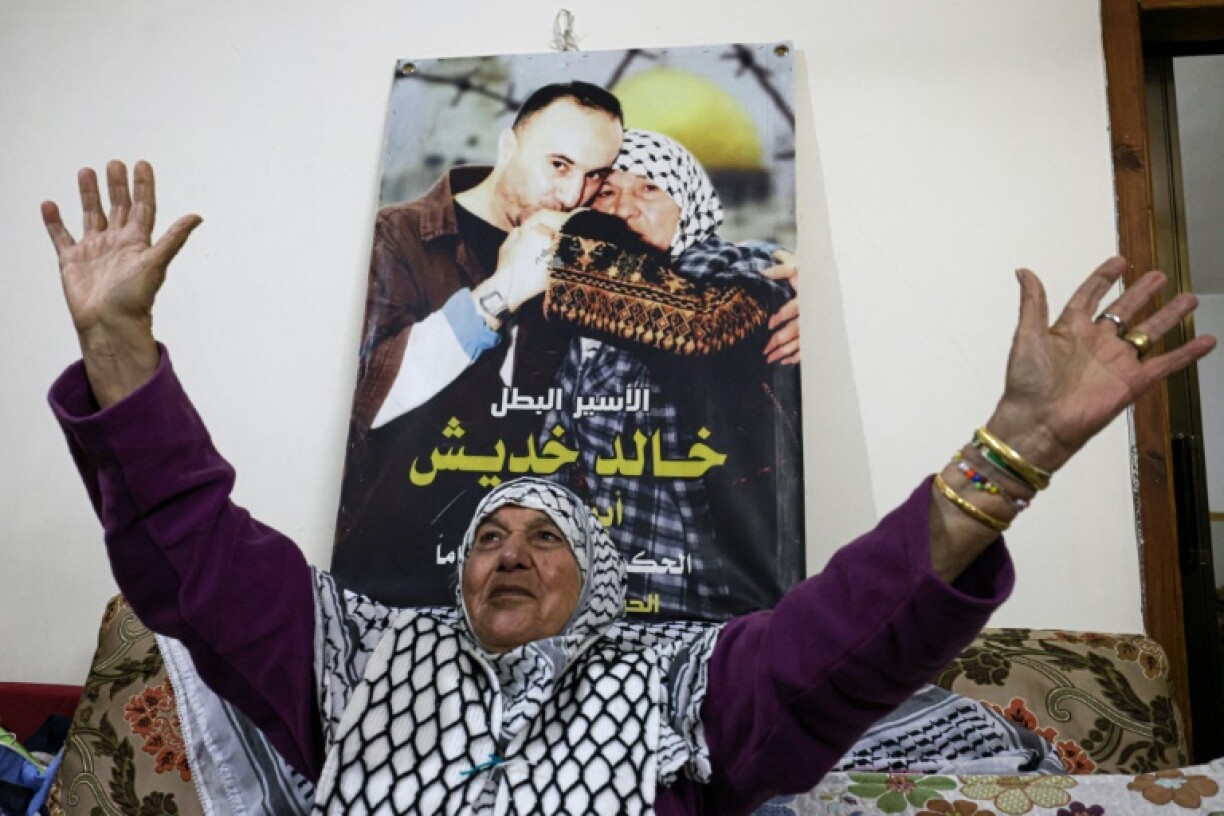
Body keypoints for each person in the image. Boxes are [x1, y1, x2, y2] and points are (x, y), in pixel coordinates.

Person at [43, 161, 1215, 814]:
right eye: (489, 534)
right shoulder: (351, 656)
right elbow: (189, 551)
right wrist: (119, 351)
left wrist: (1017, 449)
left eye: (544, 538)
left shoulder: (679, 692)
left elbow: (847, 628)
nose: (507, 548)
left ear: (598, 582)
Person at [333, 85, 802, 610]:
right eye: (560, 165)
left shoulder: (608, 266)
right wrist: (503, 289)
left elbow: (698, 316)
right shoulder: (402, 238)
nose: (578, 192)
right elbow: (368, 394)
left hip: (603, 582)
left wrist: (789, 279)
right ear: (508, 147)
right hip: (399, 566)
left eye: (596, 178)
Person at [537, 129, 804, 620]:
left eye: (649, 189)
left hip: (710, 593)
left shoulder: (732, 270)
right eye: (608, 193)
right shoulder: (590, 318)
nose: (624, 209)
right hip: (610, 591)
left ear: (689, 202)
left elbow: (705, 325)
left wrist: (551, 265)